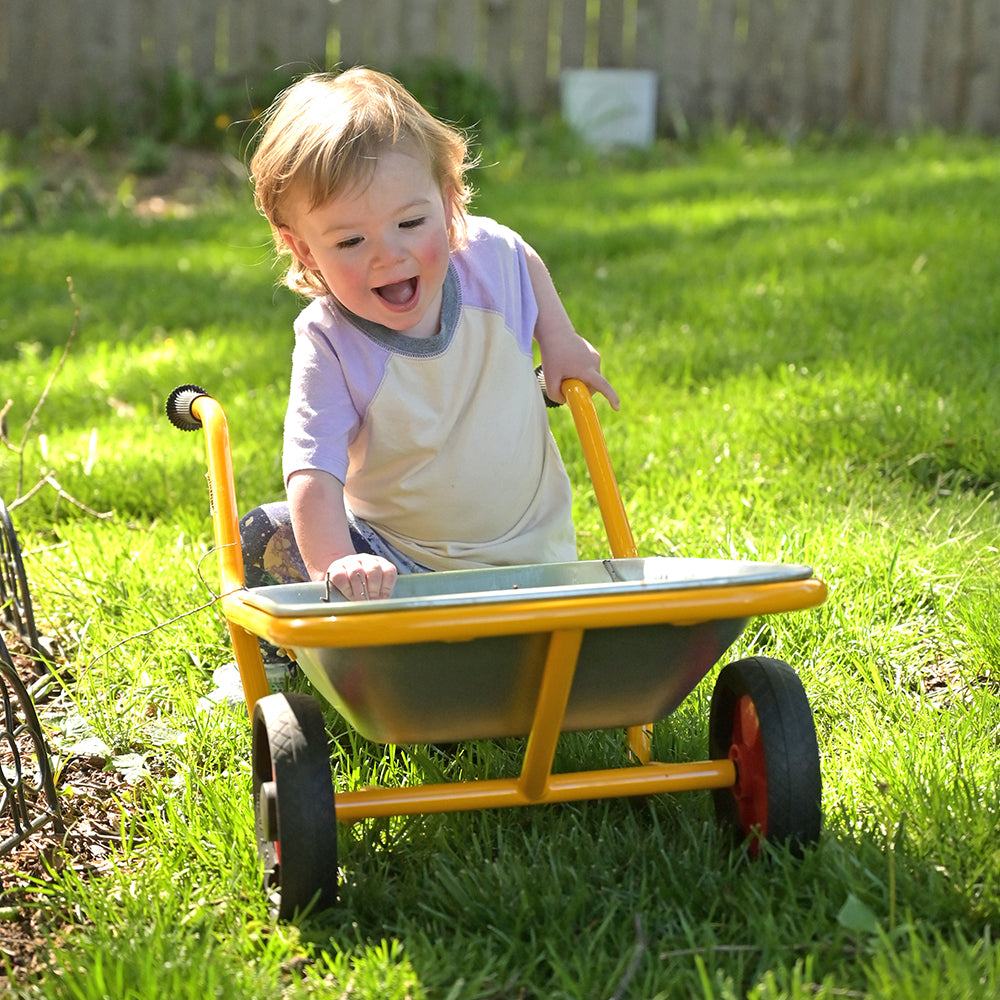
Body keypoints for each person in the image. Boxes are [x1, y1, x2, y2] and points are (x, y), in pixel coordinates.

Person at [240, 67, 618, 603]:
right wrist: (338, 563)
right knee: (264, 534)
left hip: (535, 560)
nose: (387, 254)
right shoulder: (330, 340)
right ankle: (288, 664)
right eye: (350, 241)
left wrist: (559, 339)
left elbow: (518, 256)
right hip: (397, 568)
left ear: (447, 201)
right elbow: (313, 467)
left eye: (411, 224)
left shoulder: (491, 259)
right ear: (303, 250)